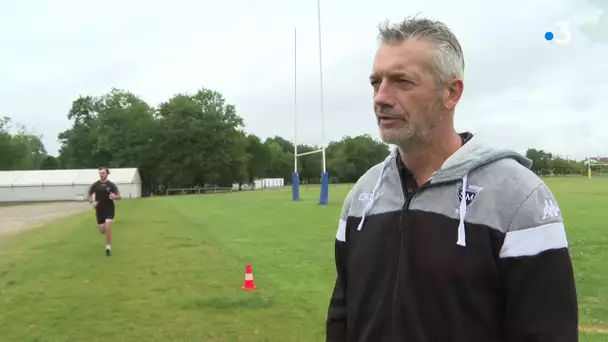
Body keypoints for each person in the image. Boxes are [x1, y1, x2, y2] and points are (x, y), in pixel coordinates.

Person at [326, 16, 578, 342]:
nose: (381, 97)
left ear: (451, 93)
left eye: (401, 81)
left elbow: (547, 332)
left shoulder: (518, 199)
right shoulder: (362, 196)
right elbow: (342, 315)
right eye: (376, 82)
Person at [88, 167, 121, 256]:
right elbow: (89, 194)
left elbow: (119, 196)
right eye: (100, 173)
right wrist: (91, 201)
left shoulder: (112, 185)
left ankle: (108, 248)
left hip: (109, 209)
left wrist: (115, 197)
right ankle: (104, 229)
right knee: (102, 230)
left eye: (103, 173)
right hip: (99, 210)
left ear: (107, 174)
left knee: (107, 226)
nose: (101, 175)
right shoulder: (95, 185)